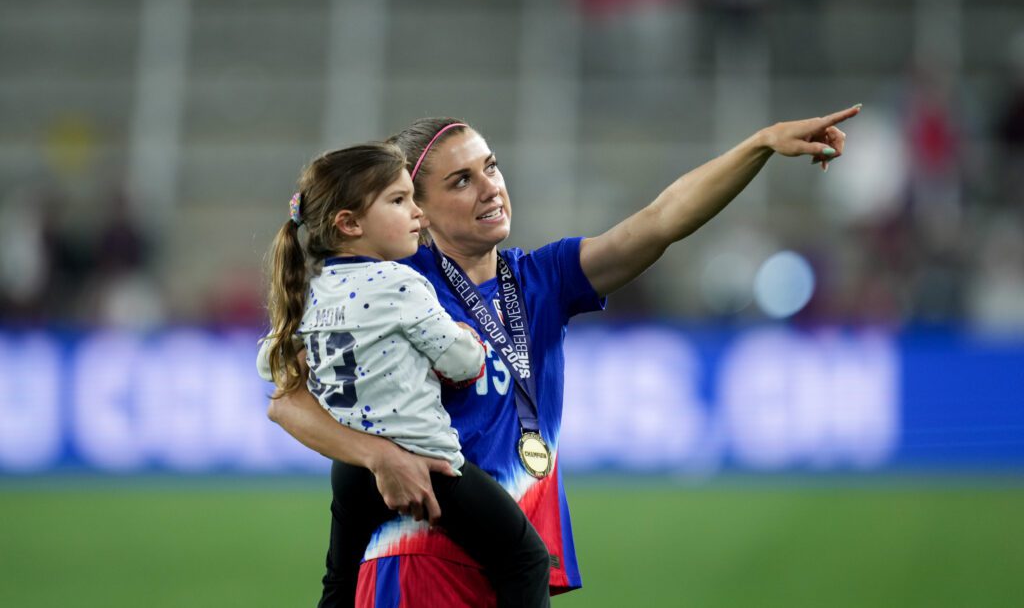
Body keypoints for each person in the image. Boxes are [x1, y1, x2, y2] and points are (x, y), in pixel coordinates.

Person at [266, 107, 860, 607]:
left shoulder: (541, 277)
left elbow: (660, 222)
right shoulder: (394, 281)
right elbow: (288, 400)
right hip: (417, 558)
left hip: (504, 566)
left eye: (491, 167)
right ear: (415, 206)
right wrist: (377, 457)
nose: (490, 187)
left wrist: (757, 145)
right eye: (461, 181)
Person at [257, 142, 551, 607]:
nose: (419, 213)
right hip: (426, 460)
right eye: (399, 201)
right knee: (525, 559)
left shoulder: (313, 291)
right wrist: (465, 339)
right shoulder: (401, 283)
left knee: (338, 584)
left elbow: (272, 365)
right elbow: (462, 363)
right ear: (349, 224)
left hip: (350, 471)